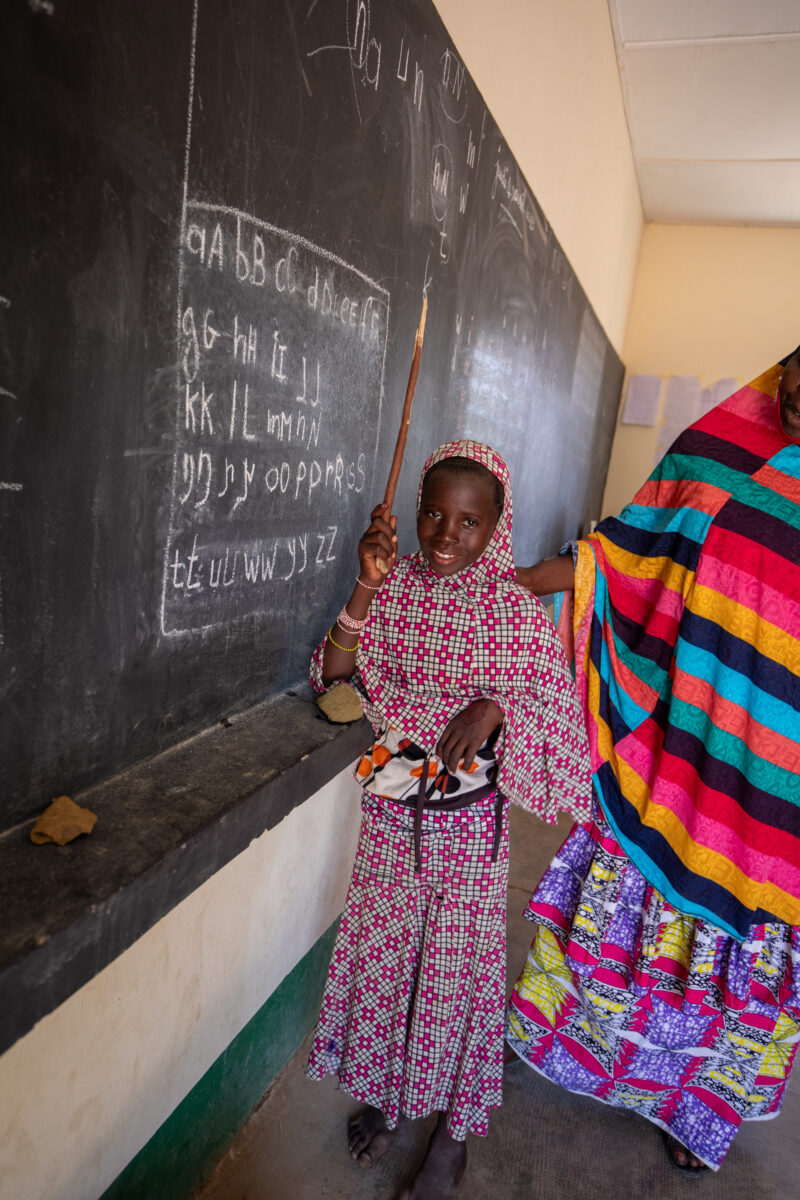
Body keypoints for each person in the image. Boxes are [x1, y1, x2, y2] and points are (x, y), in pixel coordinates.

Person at [506, 348, 800, 1176]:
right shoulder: (724, 450)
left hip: (777, 813)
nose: (799, 388)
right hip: (674, 762)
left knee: (746, 960)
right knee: (625, 908)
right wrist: (535, 579)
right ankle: (563, 1054)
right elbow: (634, 558)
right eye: (799, 362)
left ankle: (698, 1115)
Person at [305, 439, 590, 1198]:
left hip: (468, 834)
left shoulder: (513, 611)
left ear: (497, 526)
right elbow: (334, 678)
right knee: (391, 966)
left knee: (455, 980)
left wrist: (494, 701)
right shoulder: (392, 588)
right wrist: (364, 588)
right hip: (392, 824)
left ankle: (452, 1136)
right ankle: (394, 1097)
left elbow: (554, 708)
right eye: (431, 513)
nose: (443, 535)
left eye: (467, 522)